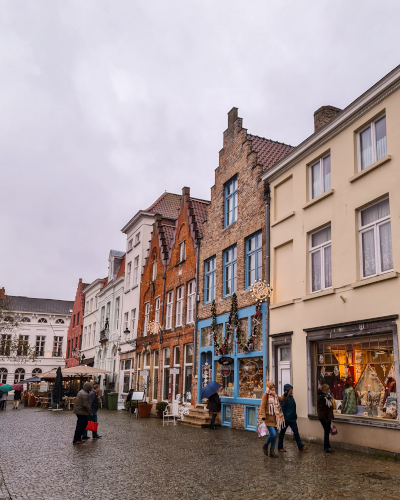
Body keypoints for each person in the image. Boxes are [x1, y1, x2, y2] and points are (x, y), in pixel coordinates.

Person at [277, 384, 307, 453]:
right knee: (282, 433)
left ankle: (300, 446)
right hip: (286, 419)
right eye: (290, 389)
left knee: (296, 432)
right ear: (287, 390)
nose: (291, 390)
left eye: (291, 389)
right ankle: (280, 447)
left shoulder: (291, 397)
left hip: (292, 418)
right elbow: (282, 409)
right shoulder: (284, 398)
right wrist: (284, 418)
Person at [260, 381, 285, 458]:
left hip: (276, 419)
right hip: (268, 419)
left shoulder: (275, 395)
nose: (273, 388)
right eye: (272, 387)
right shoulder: (265, 396)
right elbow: (262, 406)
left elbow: (281, 399)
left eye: (274, 387)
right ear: (269, 388)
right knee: (273, 434)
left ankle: (272, 451)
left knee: (275, 435)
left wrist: (286, 395)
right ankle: (265, 445)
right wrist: (263, 416)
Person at [317, 384, 334, 453]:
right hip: (324, 418)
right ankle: (327, 447)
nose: (329, 390)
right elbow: (322, 410)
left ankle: (327, 446)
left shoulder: (327, 397)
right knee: (327, 432)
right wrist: (326, 419)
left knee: (327, 432)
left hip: (327, 417)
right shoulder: (322, 398)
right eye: (328, 389)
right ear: (325, 390)